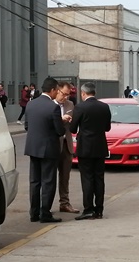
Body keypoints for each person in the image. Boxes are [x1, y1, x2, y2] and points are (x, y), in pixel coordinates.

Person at [24, 77, 65, 223]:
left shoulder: (31, 105)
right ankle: (45, 213)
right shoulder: (52, 107)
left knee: (34, 181)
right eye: (57, 91)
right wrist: (62, 121)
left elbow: (27, 126)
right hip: (48, 149)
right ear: (53, 90)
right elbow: (59, 131)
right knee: (48, 181)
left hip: (33, 147)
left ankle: (34, 213)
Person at [70, 82, 111, 220]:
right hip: (100, 147)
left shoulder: (80, 107)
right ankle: (99, 210)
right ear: (94, 92)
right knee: (99, 178)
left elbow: (73, 129)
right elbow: (107, 128)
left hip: (85, 148)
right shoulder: (104, 107)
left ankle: (88, 209)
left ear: (83, 93)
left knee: (87, 178)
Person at [54, 81, 79, 214]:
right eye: (64, 94)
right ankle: (45, 205)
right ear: (57, 91)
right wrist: (60, 119)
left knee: (65, 176)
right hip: (52, 145)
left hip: (66, 144)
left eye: (68, 95)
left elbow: (74, 124)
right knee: (49, 177)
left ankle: (64, 203)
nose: (66, 97)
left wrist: (70, 120)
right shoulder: (49, 104)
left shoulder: (70, 104)